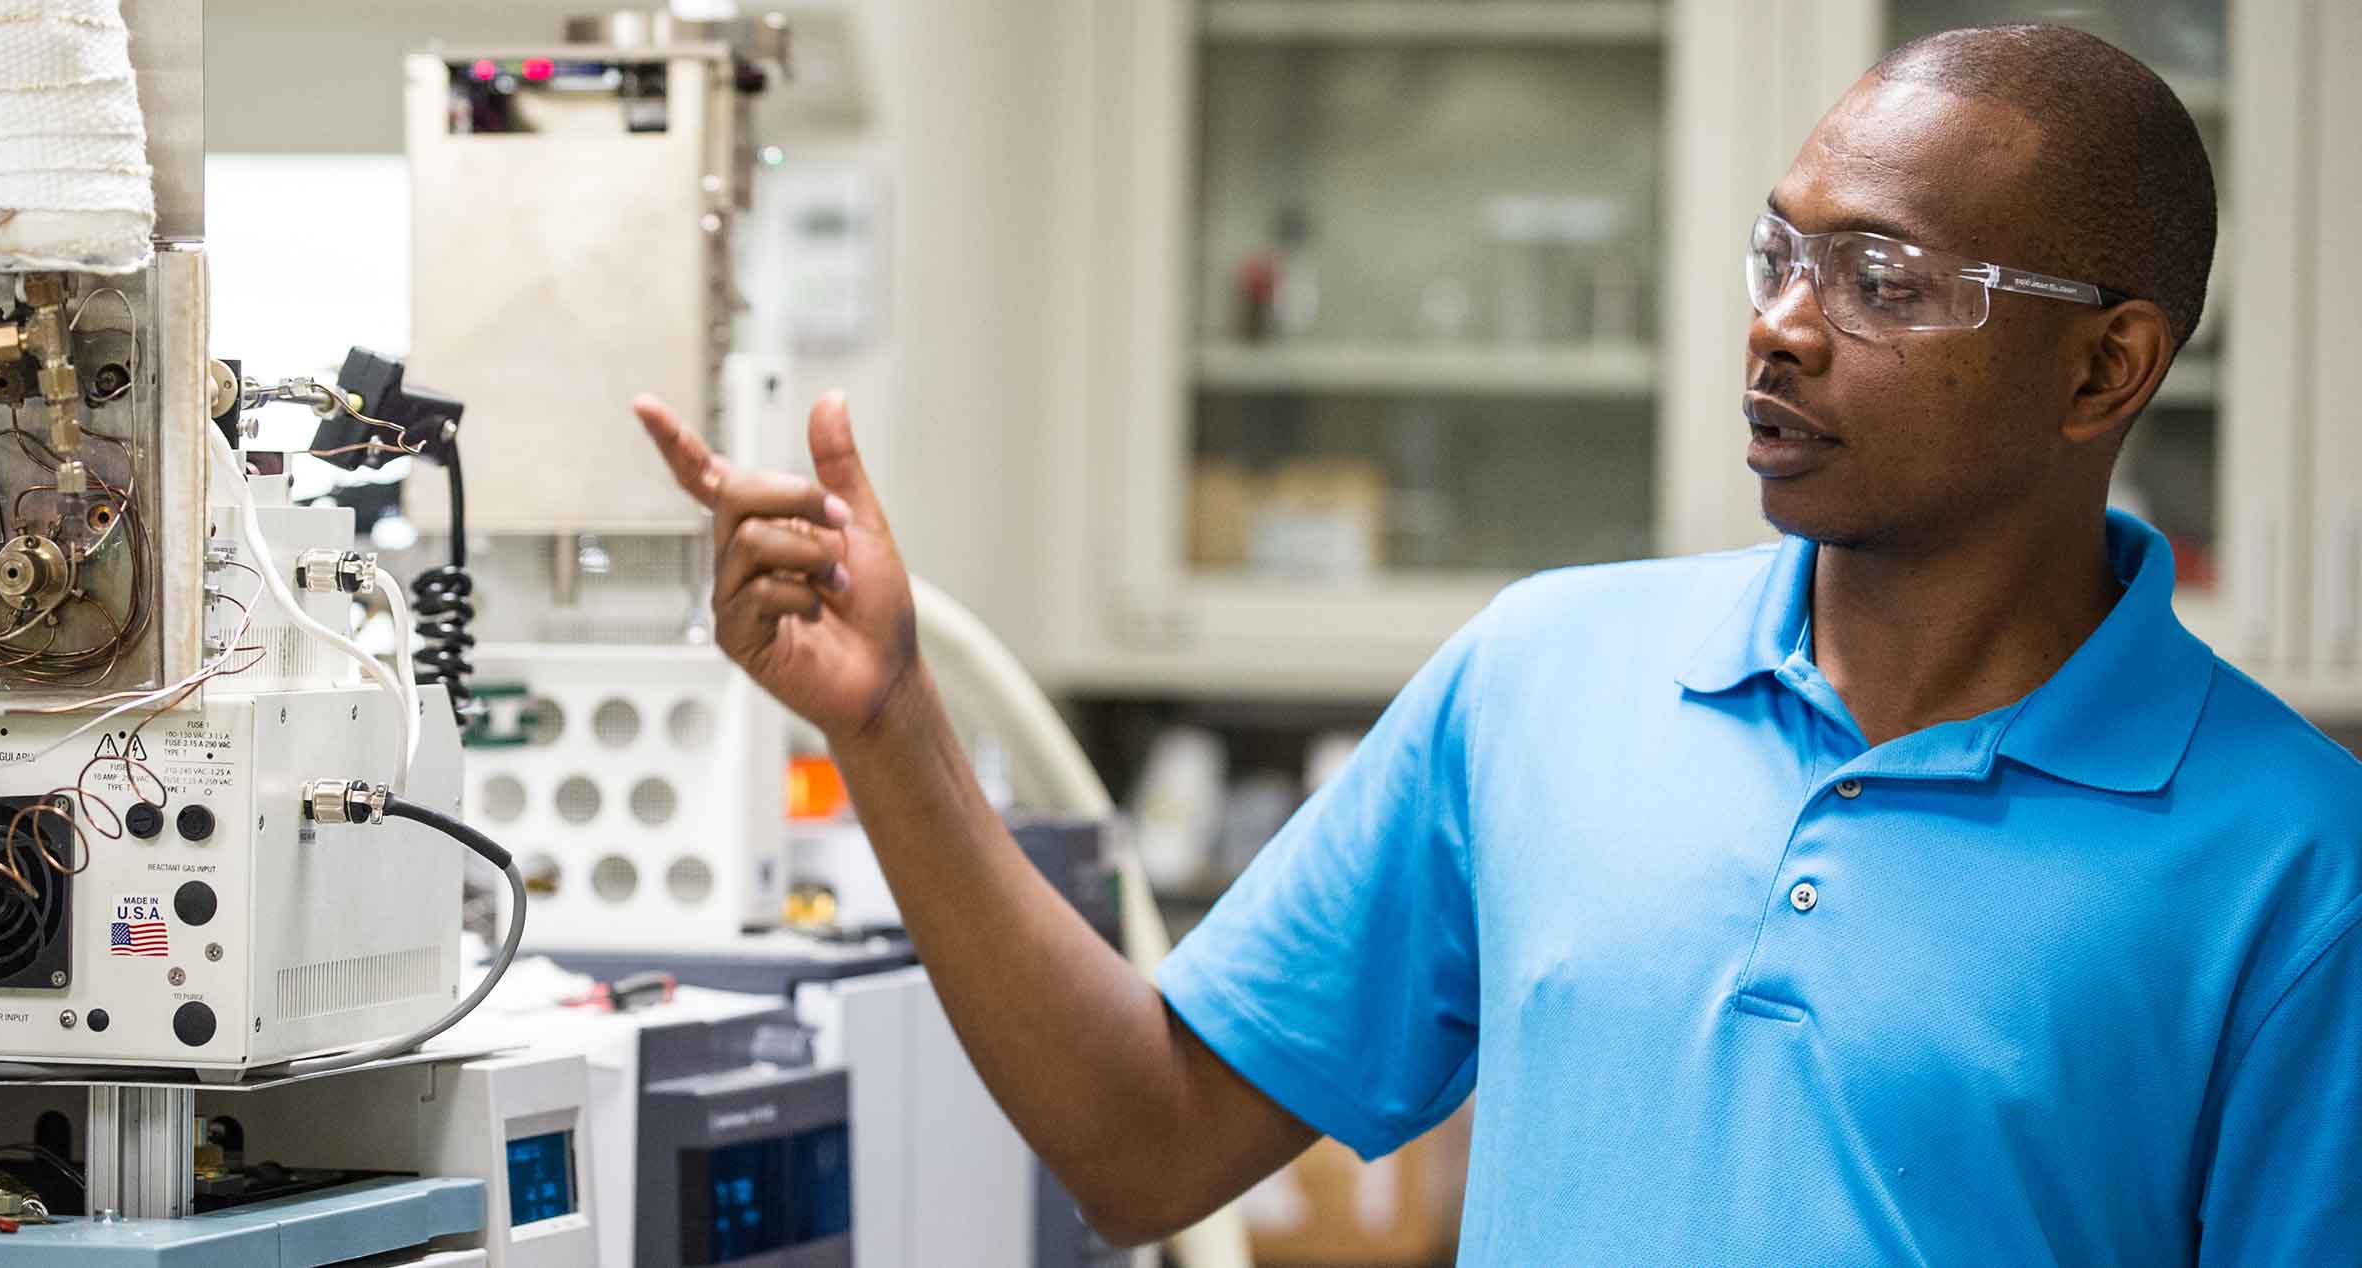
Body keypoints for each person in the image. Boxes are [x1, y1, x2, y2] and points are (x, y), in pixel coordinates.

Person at [629, 24, 2360, 1264]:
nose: (1777, 325)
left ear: (2106, 369)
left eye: (1882, 278)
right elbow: (1142, 1141)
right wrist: (892, 720)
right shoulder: (1542, 679)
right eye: (1778, 253)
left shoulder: (2292, 871)